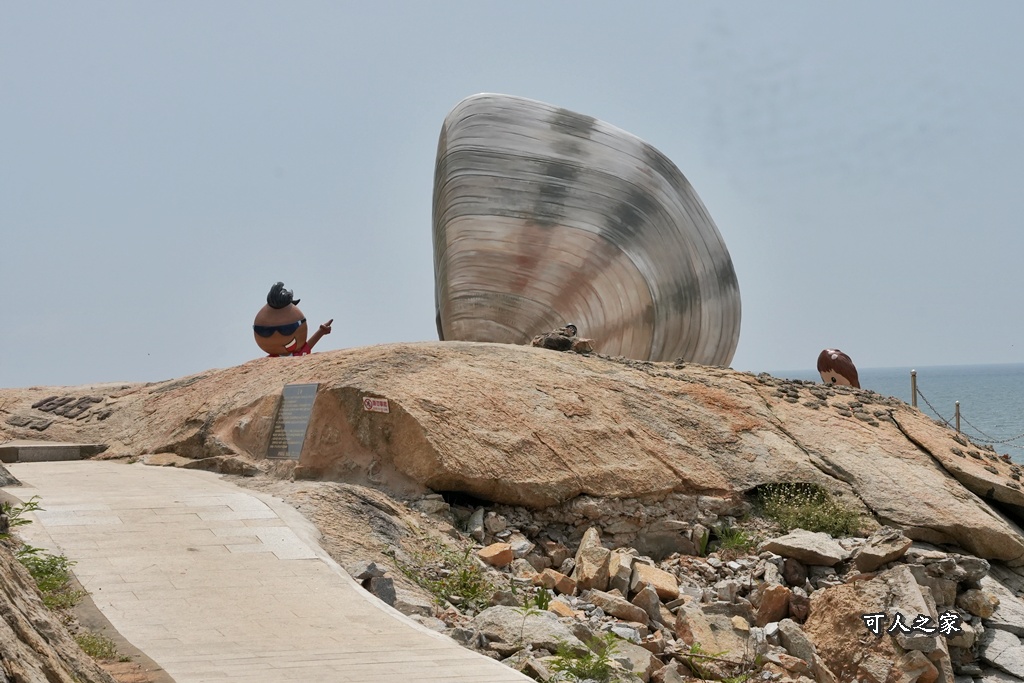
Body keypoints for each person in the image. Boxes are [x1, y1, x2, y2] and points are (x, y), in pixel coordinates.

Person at [253, 282, 332, 357]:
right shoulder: (267, 362)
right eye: (265, 331)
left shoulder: (299, 355)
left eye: (287, 329)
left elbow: (308, 345)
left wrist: (321, 332)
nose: (278, 336)